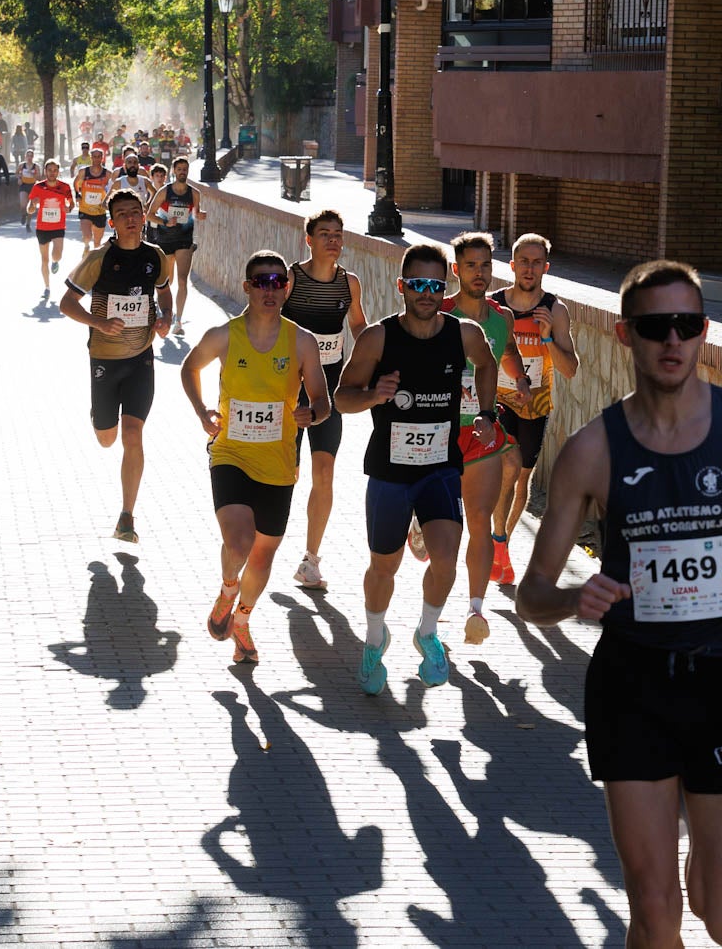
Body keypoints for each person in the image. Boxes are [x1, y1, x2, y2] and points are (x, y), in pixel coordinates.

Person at [515, 260, 722, 949]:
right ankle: (673, 853)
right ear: (625, 334)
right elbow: (532, 594)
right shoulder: (592, 450)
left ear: (703, 333)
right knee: (655, 912)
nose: (673, 340)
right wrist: (575, 596)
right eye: (656, 326)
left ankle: (702, 841)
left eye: (686, 325)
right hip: (631, 687)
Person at [333, 243, 498, 694]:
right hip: (389, 471)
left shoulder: (464, 335)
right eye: (418, 284)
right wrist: (373, 396)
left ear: (446, 287)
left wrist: (488, 413)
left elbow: (487, 364)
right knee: (383, 567)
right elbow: (341, 398)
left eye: (435, 285)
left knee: (445, 557)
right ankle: (373, 641)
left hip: (440, 469)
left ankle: (427, 632)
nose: (427, 293)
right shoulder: (378, 338)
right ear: (402, 286)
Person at [181, 251, 329, 665]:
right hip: (230, 452)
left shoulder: (301, 341)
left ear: (286, 288)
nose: (270, 289)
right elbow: (189, 368)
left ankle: (242, 620)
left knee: (263, 556)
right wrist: (201, 410)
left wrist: (312, 412)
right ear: (247, 287)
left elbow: (323, 400)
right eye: (261, 282)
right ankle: (229, 589)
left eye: (277, 282)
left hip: (279, 464)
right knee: (240, 541)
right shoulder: (224, 336)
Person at [59, 190, 174, 541]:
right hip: (105, 361)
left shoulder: (156, 257)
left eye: (135, 211)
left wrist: (166, 317)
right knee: (107, 439)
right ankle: (99, 417)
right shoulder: (99, 259)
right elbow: (66, 303)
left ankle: (127, 516)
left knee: (133, 434)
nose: (130, 218)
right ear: (112, 221)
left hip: (141, 359)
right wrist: (99, 323)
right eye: (122, 213)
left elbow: (164, 292)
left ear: (143, 216)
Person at [439, 232, 530, 644]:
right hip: (437, 429)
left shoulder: (501, 316)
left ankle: (476, 610)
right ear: (457, 270)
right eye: (471, 265)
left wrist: (521, 377)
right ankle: (417, 524)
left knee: (477, 517)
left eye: (486, 265)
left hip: (481, 427)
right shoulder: (437, 312)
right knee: (441, 527)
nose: (480, 273)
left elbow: (506, 350)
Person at [281, 209, 366, 590]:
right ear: (309, 240)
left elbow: (359, 326)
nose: (333, 240)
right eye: (325, 233)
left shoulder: (350, 283)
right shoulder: (290, 280)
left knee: (325, 472)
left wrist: (375, 352)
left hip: (327, 393)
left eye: (338, 233)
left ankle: (310, 561)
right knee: (286, 474)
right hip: (286, 392)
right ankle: (264, 542)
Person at [490, 233, 579, 583]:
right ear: (512, 266)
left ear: (546, 267)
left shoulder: (555, 310)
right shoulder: (494, 306)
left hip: (536, 404)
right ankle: (496, 540)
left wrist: (545, 337)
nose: (529, 268)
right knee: (505, 469)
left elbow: (570, 368)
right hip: (499, 399)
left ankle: (503, 543)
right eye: (523, 261)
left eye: (536, 262)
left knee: (522, 476)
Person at [146, 156, 208, 336]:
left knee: (182, 280)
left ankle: (178, 321)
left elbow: (196, 213)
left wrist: (201, 215)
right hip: (164, 241)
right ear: (174, 171)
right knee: (167, 281)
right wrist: (165, 222)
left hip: (184, 240)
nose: (182, 172)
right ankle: (164, 310)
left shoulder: (194, 193)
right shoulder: (165, 192)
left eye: (185, 169)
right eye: (179, 169)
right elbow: (149, 215)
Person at [24, 159, 74, 299]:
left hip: (58, 225)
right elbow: (30, 208)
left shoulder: (64, 187)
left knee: (57, 254)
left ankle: (55, 261)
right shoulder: (38, 187)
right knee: (43, 259)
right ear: (45, 171)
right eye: (49, 170)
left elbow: (71, 203)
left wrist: (68, 208)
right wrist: (32, 206)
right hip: (43, 227)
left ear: (58, 172)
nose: (52, 173)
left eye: (55, 170)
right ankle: (47, 287)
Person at [72, 147, 112, 254]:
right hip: (85, 210)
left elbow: (113, 187)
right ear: (91, 158)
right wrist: (77, 194)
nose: (97, 159)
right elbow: (75, 183)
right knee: (87, 237)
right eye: (94, 157)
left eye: (99, 157)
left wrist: (108, 200)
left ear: (102, 158)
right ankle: (86, 247)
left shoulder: (107, 174)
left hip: (100, 211)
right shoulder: (84, 172)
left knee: (97, 242)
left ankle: (93, 262)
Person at [17, 149, 40, 231]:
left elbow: (39, 178)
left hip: (32, 186)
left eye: (31, 156)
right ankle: (23, 214)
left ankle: (28, 224)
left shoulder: (36, 166)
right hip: (23, 185)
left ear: (33, 157)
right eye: (28, 156)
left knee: (31, 206)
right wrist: (19, 178)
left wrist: (34, 174)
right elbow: (16, 173)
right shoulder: (22, 165)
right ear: (25, 157)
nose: (29, 157)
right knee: (23, 205)